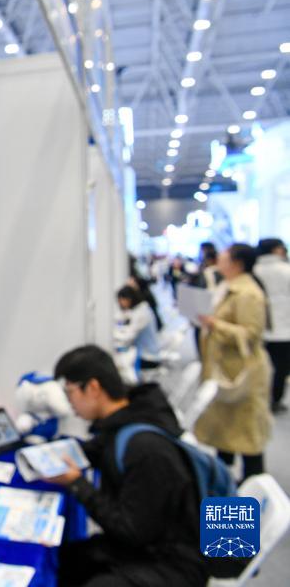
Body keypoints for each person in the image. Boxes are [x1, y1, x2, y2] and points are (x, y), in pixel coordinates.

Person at [47, 345, 208, 587]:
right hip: (150, 542)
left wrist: (78, 484)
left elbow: (130, 531)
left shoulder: (145, 448)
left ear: (93, 388)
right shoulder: (130, 417)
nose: (69, 403)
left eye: (70, 393)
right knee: (64, 560)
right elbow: (95, 450)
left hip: (175, 562)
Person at [194, 243, 272, 480]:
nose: (219, 259)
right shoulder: (226, 287)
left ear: (237, 264)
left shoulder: (248, 293)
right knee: (224, 432)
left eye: (224, 257)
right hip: (225, 369)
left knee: (248, 435)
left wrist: (214, 325)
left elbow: (251, 334)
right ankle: (225, 484)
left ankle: (253, 487)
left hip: (243, 374)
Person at [254, 238, 290, 413]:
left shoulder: (253, 270)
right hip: (284, 328)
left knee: (259, 365)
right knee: (281, 368)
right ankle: (275, 399)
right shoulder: (286, 270)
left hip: (258, 328)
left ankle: (260, 398)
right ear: (276, 250)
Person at [115, 285, 161, 362]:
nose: (120, 303)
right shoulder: (140, 309)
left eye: (121, 300)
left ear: (128, 299)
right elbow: (122, 316)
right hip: (146, 354)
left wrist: (112, 335)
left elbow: (129, 337)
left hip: (148, 357)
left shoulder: (141, 313)